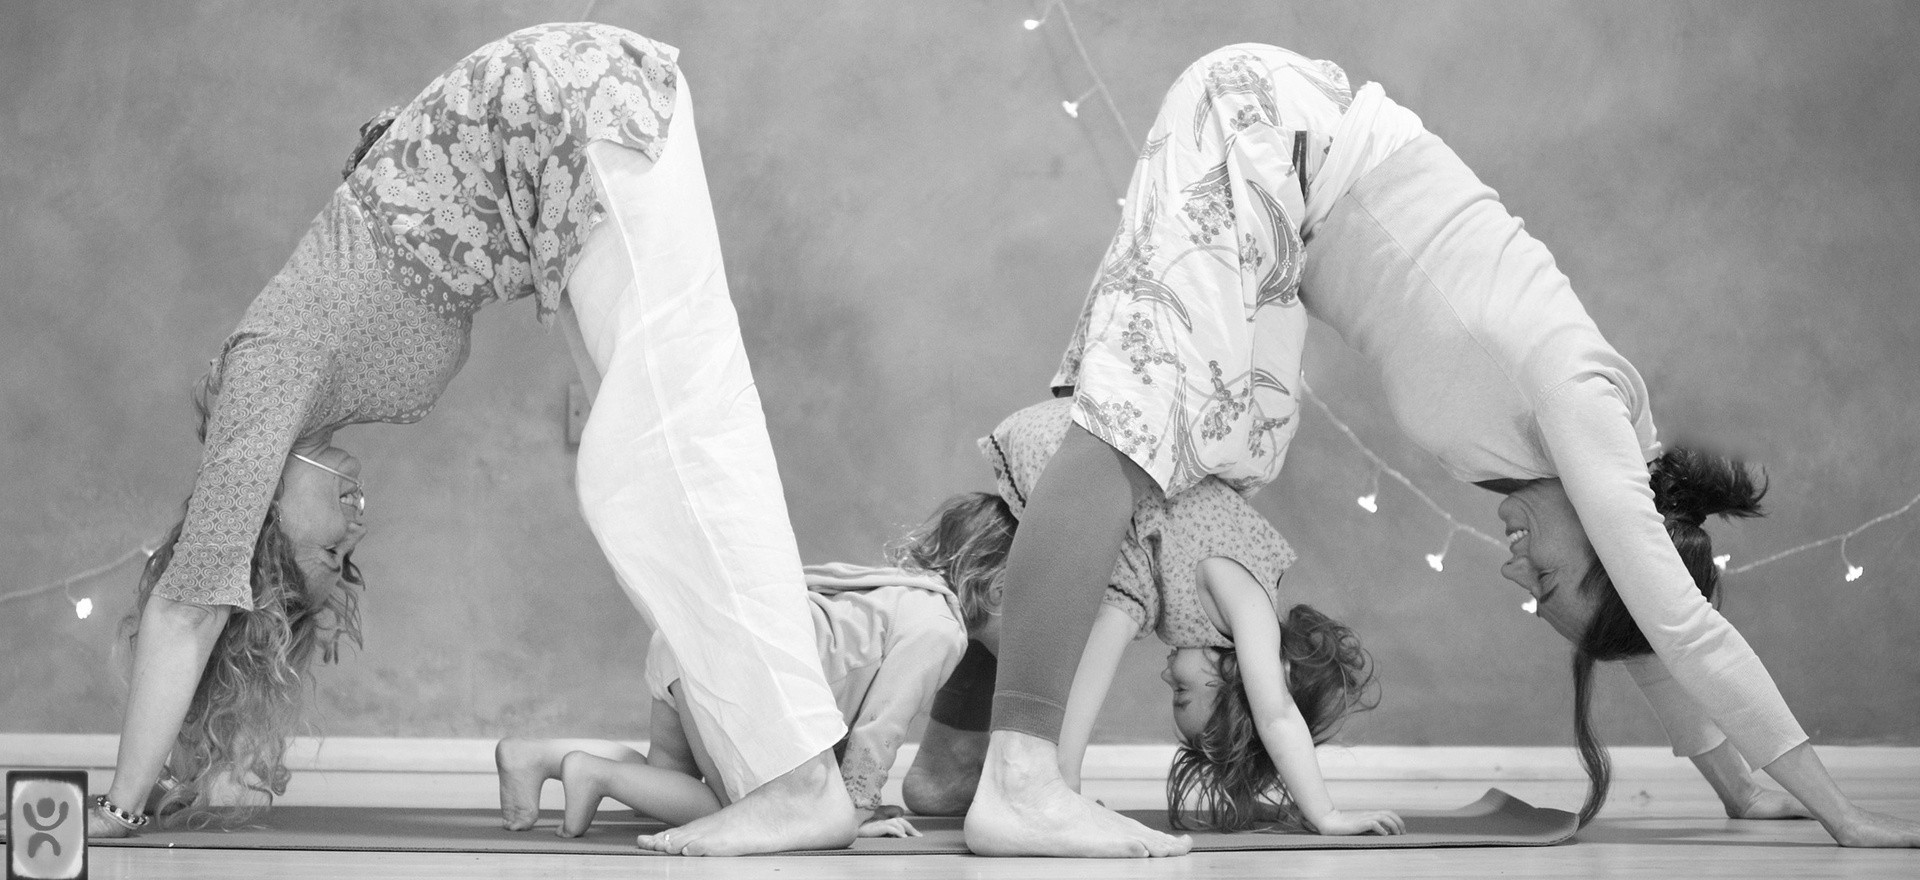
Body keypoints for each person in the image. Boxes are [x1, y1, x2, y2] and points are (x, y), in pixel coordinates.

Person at [958, 43, 1920, 856]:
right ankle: (1020, 776)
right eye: (1544, 578)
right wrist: (1841, 814)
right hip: (1275, 136)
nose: (1515, 570)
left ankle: (952, 756)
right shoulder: (1582, 408)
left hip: (1291, 209)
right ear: (1607, 537)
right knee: (1133, 433)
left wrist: (1740, 789)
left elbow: (1642, 631)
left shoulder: (1584, 462)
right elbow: (1677, 622)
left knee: (1210, 453)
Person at [88, 23, 859, 856]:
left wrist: (122, 806)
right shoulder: (301, 400)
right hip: (561, 150)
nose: (354, 526)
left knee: (661, 458)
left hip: (571, 115)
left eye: (327, 552)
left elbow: (190, 606)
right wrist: (200, 762)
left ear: (261, 528)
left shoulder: (262, 376)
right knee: (646, 466)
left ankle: (801, 787)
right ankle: (771, 779)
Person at [992, 399, 1401, 834]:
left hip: (1080, 445)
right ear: (1239, 678)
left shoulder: (1182, 590)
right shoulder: (1249, 605)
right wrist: (1325, 814)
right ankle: (1062, 781)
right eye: (1182, 692)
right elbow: (1276, 715)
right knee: (1122, 611)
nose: (1166, 676)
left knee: (1125, 606)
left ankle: (1059, 779)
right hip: (1073, 451)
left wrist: (1260, 799)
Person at [494, 496, 1005, 841]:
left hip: (686, 640)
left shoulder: (895, 589)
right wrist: (850, 814)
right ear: (1000, 591)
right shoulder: (941, 629)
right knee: (741, 808)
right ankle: (596, 773)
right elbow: (879, 727)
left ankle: (541, 756)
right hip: (729, 665)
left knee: (662, 783)